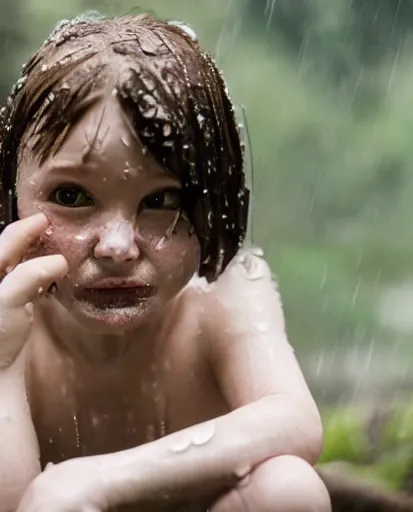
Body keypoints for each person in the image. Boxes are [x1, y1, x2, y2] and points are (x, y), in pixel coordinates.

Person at [0, 12, 330, 512]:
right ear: (10, 196)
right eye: (71, 194)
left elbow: (295, 420)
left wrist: (97, 480)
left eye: (161, 201)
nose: (116, 246)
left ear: (217, 203)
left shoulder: (224, 291)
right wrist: (1, 366)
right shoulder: (10, 310)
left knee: (290, 489)